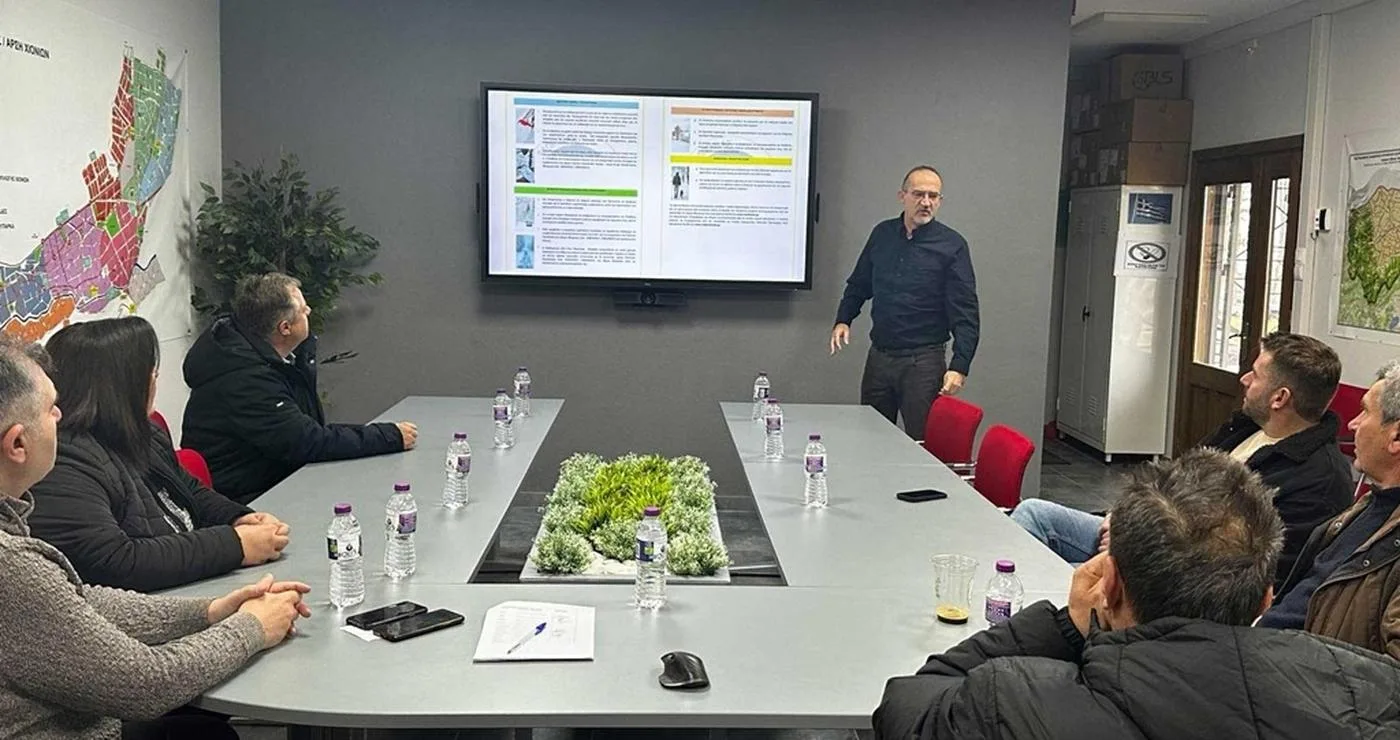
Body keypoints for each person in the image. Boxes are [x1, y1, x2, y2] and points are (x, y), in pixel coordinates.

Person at [872, 450, 1400, 739]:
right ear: (1266, 599)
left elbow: (907, 704)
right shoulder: (1373, 693)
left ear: (1110, 583)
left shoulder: (1011, 701)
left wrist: (1066, 626)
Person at [0, 336, 311, 739]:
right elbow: (145, 685)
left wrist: (210, 611)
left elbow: (74, 600)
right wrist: (252, 627)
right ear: (18, 443)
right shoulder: (11, 565)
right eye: (49, 408)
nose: (61, 415)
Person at [1013, 332, 1352, 585]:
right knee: (1034, 514)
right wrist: (1121, 517)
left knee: (1070, 580)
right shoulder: (1245, 427)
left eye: (1256, 374)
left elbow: (1255, 571)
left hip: (1180, 572)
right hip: (1148, 535)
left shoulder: (1320, 480)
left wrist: (1134, 539)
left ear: (1280, 398)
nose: (1244, 380)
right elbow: (1173, 479)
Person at [27, 317, 289, 592]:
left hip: (195, 584)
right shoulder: (63, 462)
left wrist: (237, 518)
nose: (155, 381)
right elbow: (114, 561)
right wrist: (235, 545)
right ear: (123, 386)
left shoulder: (141, 431)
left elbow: (188, 489)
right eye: (150, 373)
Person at [182, 273, 417, 503]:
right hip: (248, 500)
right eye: (304, 310)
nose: (310, 312)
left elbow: (306, 429)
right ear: (285, 328)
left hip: (278, 480)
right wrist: (389, 436)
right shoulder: (245, 378)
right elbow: (306, 442)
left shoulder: (269, 356)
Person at [1258, 359, 1400, 659]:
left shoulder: (1330, 484)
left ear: (1396, 437)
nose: (1352, 423)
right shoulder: (1372, 504)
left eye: (1365, 411)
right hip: (1267, 651)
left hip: (1296, 680)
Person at [830, 165, 979, 440]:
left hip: (923, 361)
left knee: (921, 444)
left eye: (933, 196)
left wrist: (959, 365)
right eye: (919, 194)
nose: (926, 202)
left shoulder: (952, 245)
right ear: (903, 196)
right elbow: (859, 283)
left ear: (940, 201)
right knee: (872, 438)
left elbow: (966, 312)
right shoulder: (882, 234)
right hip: (880, 357)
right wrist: (844, 318)